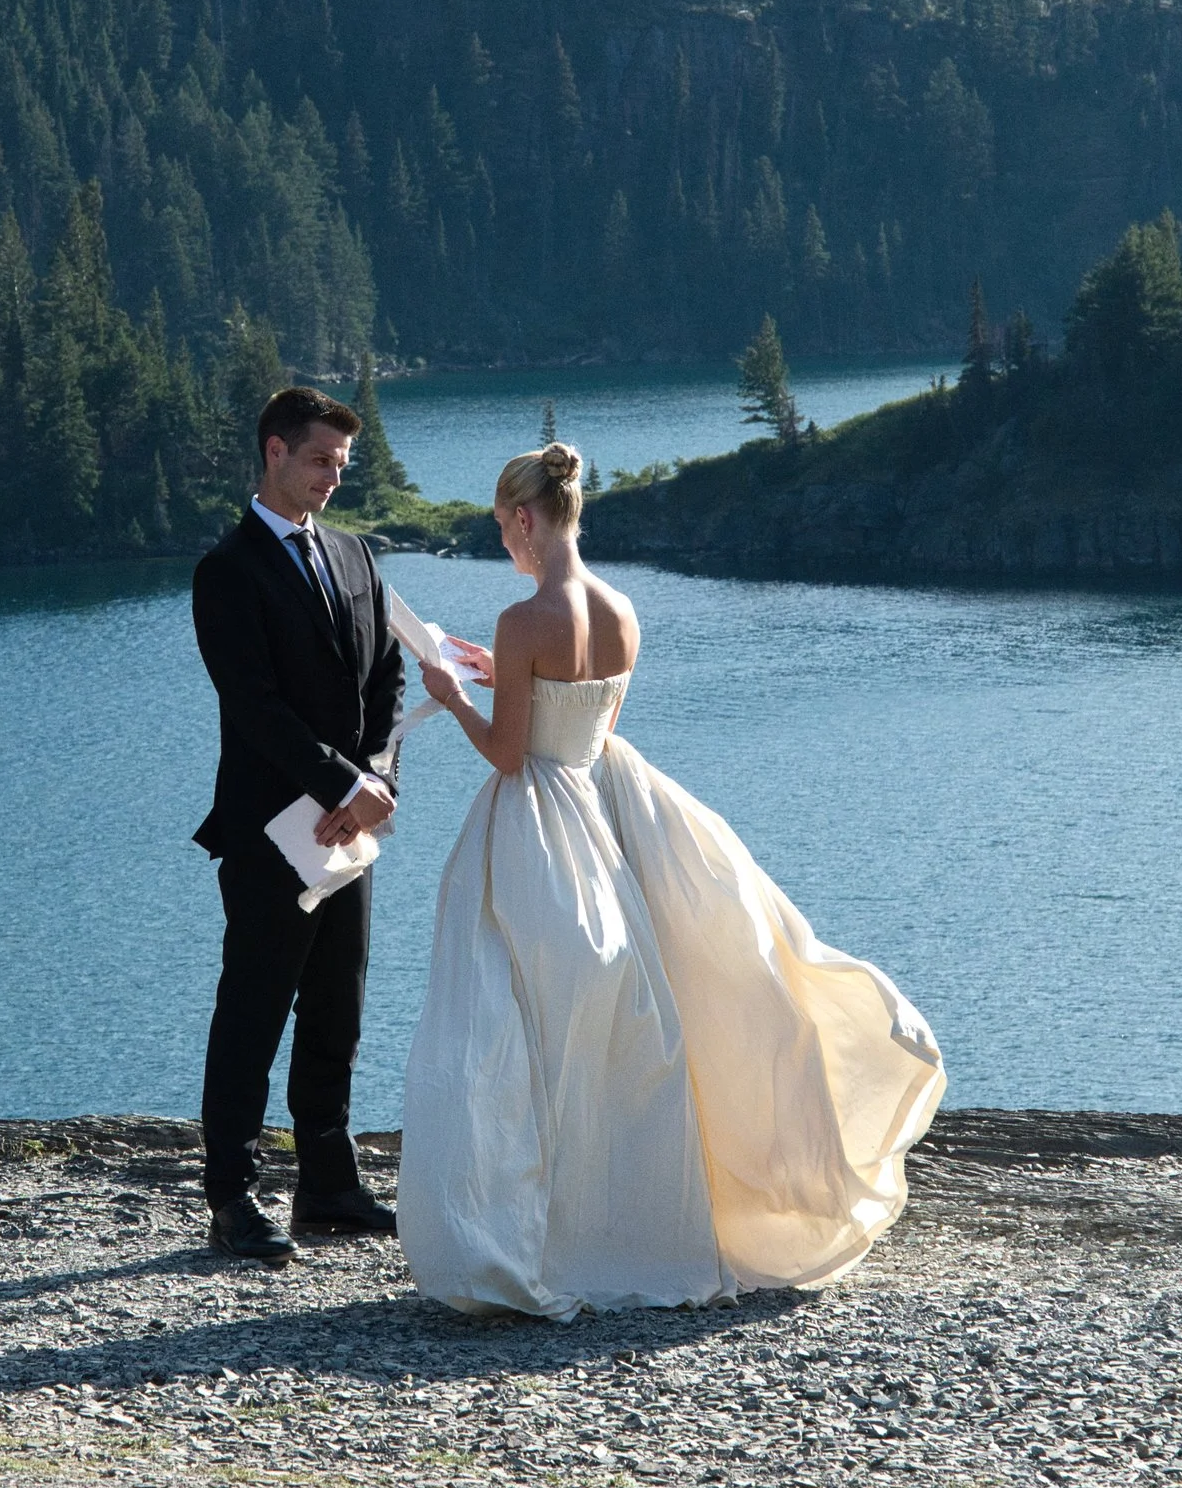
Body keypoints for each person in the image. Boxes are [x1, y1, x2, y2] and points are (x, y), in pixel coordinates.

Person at [398, 442, 945, 1318]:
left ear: (528, 519)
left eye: (505, 526)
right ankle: (625, 1221)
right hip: (603, 809)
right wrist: (507, 680)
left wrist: (453, 692)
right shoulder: (622, 611)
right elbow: (587, 721)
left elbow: (510, 752)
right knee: (611, 1018)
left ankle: (526, 1229)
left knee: (516, 1024)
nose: (505, 541)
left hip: (539, 826)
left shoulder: (521, 617)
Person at [191, 386, 406, 1266]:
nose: (332, 478)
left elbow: (390, 675)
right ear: (273, 451)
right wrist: (341, 783)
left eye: (342, 466)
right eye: (319, 460)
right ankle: (231, 1196)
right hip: (270, 827)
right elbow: (255, 707)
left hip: (350, 826)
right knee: (253, 1008)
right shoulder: (227, 570)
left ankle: (326, 1180)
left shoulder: (355, 555)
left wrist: (379, 779)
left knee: (336, 1005)